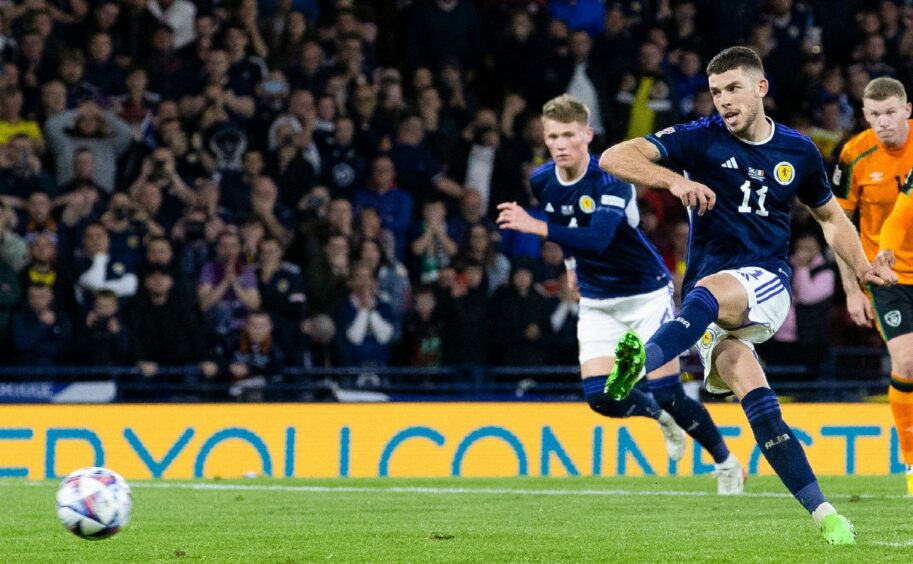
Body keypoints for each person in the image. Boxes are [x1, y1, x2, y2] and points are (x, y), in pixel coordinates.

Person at [598, 47, 896, 544]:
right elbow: (612, 157)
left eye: (733, 89)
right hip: (708, 301)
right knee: (758, 401)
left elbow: (829, 218)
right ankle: (826, 514)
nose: (724, 101)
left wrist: (863, 267)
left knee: (710, 292)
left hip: (766, 281)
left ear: (760, 88)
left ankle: (645, 360)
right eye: (716, 93)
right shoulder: (700, 138)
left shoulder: (798, 152)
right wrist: (674, 181)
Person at [497, 93, 742, 494]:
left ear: (587, 135)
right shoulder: (543, 180)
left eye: (569, 135)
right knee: (600, 398)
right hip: (597, 300)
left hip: (645, 293)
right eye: (553, 136)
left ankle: (725, 462)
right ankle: (660, 420)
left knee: (667, 390)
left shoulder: (612, 178)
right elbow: (570, 229)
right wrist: (572, 267)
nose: (560, 144)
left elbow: (597, 237)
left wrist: (536, 226)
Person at [833, 77, 913, 495]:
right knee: (908, 362)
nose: (883, 123)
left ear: (907, 111)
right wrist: (851, 287)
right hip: (884, 275)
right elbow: (837, 225)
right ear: (865, 116)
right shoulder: (854, 154)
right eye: (875, 114)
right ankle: (911, 461)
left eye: (890, 113)